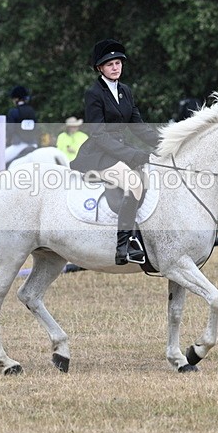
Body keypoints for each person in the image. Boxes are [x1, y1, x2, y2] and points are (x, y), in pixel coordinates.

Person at [70, 39, 159, 265]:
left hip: (119, 150)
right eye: (110, 64)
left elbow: (138, 126)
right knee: (134, 183)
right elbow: (98, 134)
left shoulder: (125, 91)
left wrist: (165, 143)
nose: (115, 67)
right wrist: (131, 155)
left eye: (118, 63)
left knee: (149, 180)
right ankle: (124, 245)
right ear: (100, 68)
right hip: (99, 153)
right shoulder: (94, 93)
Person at [5, 85, 39, 164]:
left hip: (19, 145)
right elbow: (36, 127)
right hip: (33, 144)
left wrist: (7, 141)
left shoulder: (13, 112)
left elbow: (10, 130)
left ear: (16, 99)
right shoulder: (31, 111)